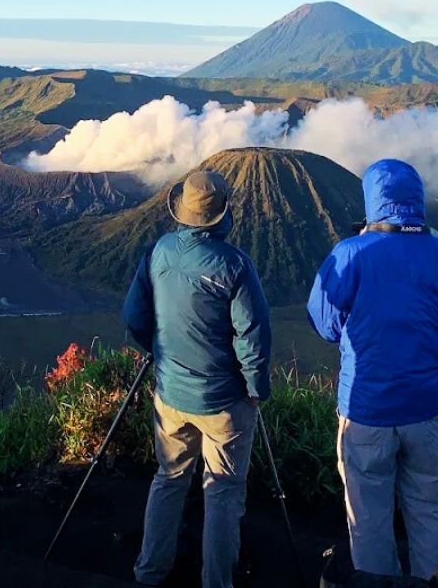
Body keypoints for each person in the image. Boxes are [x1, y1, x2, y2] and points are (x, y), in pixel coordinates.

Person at [307, 158, 438, 584]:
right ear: (417, 200)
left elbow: (325, 324)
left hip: (366, 411)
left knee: (367, 519)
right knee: (432, 514)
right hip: (426, 410)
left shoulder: (350, 254)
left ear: (372, 201)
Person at [123, 170, 271, 588]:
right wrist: (256, 389)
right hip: (224, 402)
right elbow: (253, 335)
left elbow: (134, 316)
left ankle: (149, 571)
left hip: (170, 395)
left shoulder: (158, 252)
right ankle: (216, 581)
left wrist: (159, 353)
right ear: (222, 214)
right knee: (222, 491)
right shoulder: (234, 265)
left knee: (169, 478)